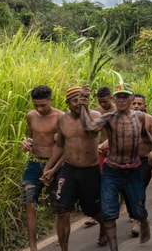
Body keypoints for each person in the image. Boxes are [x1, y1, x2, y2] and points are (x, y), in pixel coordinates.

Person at [80, 83, 152, 251]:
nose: (121, 101)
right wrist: (83, 107)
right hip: (112, 170)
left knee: (138, 211)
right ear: (115, 99)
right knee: (108, 213)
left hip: (133, 170)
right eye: (118, 98)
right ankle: (114, 248)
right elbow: (89, 128)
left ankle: (143, 221)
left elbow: (145, 135)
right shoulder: (109, 118)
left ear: (131, 99)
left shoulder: (139, 117)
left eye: (125, 97)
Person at [41, 87, 105, 250]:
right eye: (74, 100)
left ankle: (105, 226)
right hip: (69, 170)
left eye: (81, 100)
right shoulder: (62, 120)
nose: (78, 103)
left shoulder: (95, 116)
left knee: (91, 208)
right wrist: (49, 168)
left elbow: (91, 132)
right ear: (67, 103)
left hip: (90, 171)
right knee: (62, 211)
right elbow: (59, 146)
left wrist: (85, 109)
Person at [20, 85, 64, 251]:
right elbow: (31, 138)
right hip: (34, 163)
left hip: (55, 166)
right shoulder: (31, 116)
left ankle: (63, 240)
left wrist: (52, 169)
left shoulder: (60, 117)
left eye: (43, 105)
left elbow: (64, 147)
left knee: (59, 206)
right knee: (29, 202)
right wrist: (26, 143)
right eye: (35, 105)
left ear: (51, 100)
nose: (39, 109)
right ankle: (33, 246)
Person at [130, 93, 152, 236]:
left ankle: (137, 220)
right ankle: (135, 214)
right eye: (134, 103)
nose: (136, 106)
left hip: (145, 160)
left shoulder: (151, 120)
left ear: (145, 106)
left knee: (139, 190)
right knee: (129, 190)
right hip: (128, 161)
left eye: (139, 104)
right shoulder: (123, 119)